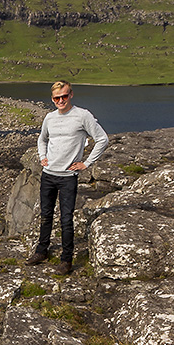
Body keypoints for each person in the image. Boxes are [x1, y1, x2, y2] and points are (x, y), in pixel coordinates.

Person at [27, 81, 109, 275]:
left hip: (67, 177)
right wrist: (42, 157)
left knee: (66, 219)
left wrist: (87, 163)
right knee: (46, 216)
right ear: (52, 99)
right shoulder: (49, 117)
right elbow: (42, 138)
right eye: (57, 98)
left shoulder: (83, 115)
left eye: (64, 96)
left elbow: (102, 139)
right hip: (48, 175)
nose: (61, 100)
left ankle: (66, 260)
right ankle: (41, 251)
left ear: (71, 94)